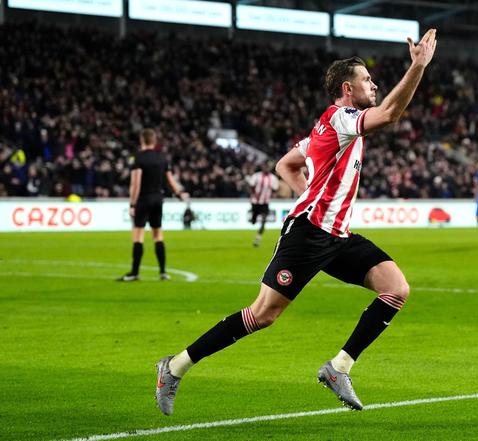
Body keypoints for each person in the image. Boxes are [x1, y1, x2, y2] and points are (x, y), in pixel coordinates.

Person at [154, 29, 437, 415]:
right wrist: (418, 66)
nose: (374, 84)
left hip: (337, 235)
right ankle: (174, 367)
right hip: (308, 235)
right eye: (367, 79)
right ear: (347, 89)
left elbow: (285, 165)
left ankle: (338, 367)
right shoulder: (340, 118)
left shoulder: (327, 128)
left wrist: (310, 194)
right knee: (263, 314)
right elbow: (390, 114)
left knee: (396, 289)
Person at [118, 129, 188, 282]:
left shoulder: (138, 158)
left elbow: (135, 183)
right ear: (154, 141)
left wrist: (132, 204)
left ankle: (134, 273)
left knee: (138, 236)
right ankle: (163, 272)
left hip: (143, 199)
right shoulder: (162, 158)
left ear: (142, 141)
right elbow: (170, 180)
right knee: (158, 235)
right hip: (158, 199)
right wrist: (179, 194)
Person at [246, 162, 280, 247]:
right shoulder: (256, 176)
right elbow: (251, 186)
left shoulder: (273, 178)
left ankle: (257, 239)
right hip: (255, 202)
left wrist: (273, 194)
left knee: (264, 221)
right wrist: (252, 195)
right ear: (262, 168)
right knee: (253, 221)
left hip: (265, 203)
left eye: (267, 167)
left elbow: (275, 189)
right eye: (265, 167)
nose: (266, 169)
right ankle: (254, 219)